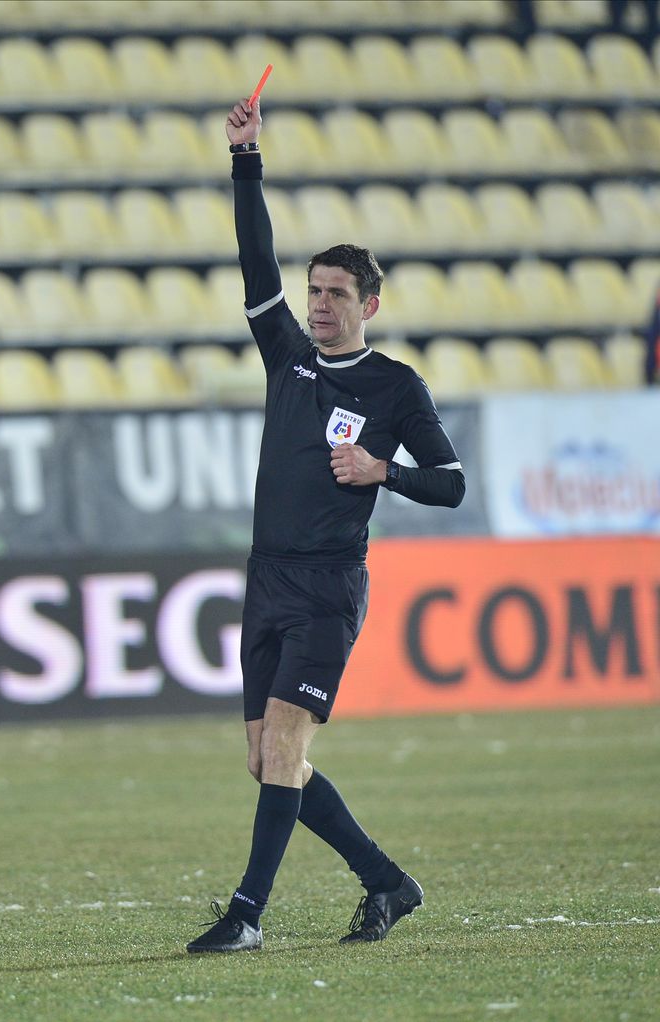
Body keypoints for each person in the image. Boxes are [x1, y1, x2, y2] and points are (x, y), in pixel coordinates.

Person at [185, 100, 465, 955]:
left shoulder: (396, 388)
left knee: (281, 748)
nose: (319, 305)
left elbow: (451, 484)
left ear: (370, 302)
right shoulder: (287, 354)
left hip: (328, 587)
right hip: (266, 577)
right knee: (271, 761)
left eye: (336, 294)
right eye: (313, 291)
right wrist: (246, 160)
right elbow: (252, 257)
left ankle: (247, 916)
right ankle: (387, 881)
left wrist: (387, 472)